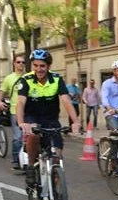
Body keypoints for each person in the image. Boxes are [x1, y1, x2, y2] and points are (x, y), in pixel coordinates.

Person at [15, 49, 81, 188]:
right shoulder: (26, 80)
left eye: (42, 66)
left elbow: (66, 101)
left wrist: (75, 122)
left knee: (57, 156)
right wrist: (21, 122)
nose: (39, 69)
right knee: (33, 135)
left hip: (51, 119)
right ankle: (31, 167)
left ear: (48, 66)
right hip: (31, 117)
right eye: (36, 65)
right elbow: (20, 103)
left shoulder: (56, 79)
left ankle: (55, 191)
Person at [0, 55, 27, 170]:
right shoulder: (9, 79)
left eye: (23, 62)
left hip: (28, 111)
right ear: (14, 64)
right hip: (15, 111)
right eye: (18, 62)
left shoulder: (29, 77)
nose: (21, 64)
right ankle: (16, 161)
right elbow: (0, 95)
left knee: (29, 137)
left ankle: (27, 160)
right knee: (18, 137)